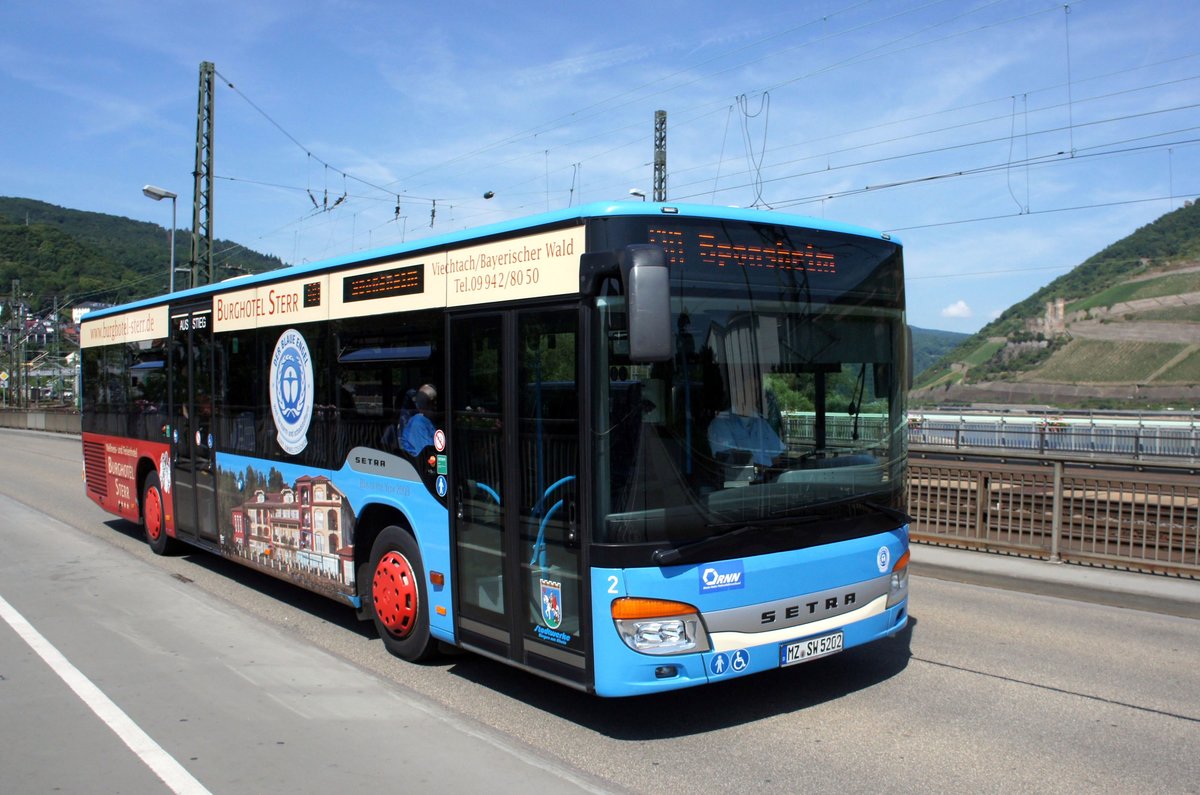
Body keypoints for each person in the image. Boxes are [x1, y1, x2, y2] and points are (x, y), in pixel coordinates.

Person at [707, 406, 785, 467]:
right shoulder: (721, 423)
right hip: (743, 484)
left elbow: (776, 458)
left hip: (769, 483)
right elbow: (731, 464)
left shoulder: (761, 422)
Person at [400, 384, 438, 455]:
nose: (436, 408)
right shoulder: (419, 423)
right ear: (430, 404)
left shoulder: (427, 421)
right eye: (435, 403)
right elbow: (427, 453)